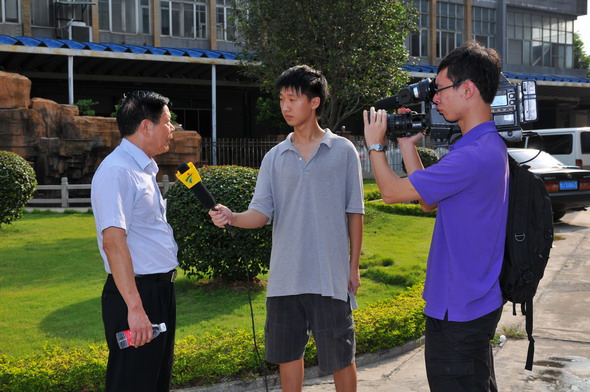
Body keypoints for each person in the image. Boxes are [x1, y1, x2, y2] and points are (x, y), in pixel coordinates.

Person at [363, 40, 508, 392]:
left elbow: (392, 192)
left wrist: (374, 144)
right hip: (471, 304)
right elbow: (430, 201)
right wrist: (407, 146)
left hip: (460, 310)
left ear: (468, 89)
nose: (435, 98)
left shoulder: (471, 156)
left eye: (441, 89)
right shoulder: (482, 146)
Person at [209, 65, 364, 392]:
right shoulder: (274, 158)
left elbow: (355, 213)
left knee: (341, 357)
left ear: (315, 102)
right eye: (282, 99)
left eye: (293, 98)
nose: (285, 106)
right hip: (284, 279)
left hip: (329, 277)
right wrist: (233, 216)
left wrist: (353, 267)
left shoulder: (343, 152)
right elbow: (261, 213)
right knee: (287, 357)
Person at [91, 90, 178, 391]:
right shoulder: (118, 171)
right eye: (168, 122)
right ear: (145, 126)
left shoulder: (142, 170)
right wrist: (136, 309)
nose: (172, 129)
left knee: (154, 381)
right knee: (133, 382)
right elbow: (113, 243)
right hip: (137, 293)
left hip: (158, 289)